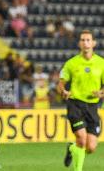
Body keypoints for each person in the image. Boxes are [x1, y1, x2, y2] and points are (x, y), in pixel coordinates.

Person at [57, 30, 104, 171]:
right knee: (82, 139)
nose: (85, 43)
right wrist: (63, 91)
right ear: (79, 43)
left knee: (91, 147)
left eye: (88, 40)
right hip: (75, 103)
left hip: (93, 106)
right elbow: (61, 82)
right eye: (83, 40)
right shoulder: (71, 63)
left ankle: (72, 148)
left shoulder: (101, 63)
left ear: (94, 43)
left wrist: (102, 92)